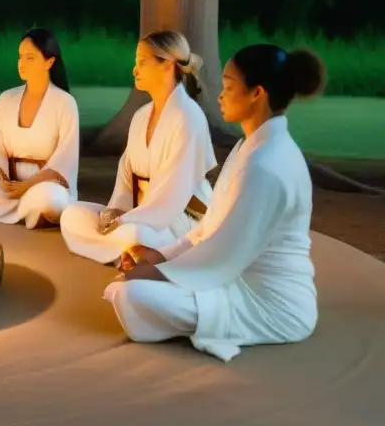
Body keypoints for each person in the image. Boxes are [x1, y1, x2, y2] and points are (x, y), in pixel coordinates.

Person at [105, 44, 326, 362]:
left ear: (257, 94)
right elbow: (210, 226)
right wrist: (159, 255)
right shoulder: (247, 148)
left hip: (271, 304)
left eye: (229, 86)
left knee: (131, 295)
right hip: (226, 271)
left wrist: (155, 271)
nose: (220, 95)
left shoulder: (267, 164)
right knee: (132, 274)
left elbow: (220, 251)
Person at [60, 30, 216, 264]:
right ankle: (133, 252)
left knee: (133, 233)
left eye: (142, 63)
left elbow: (172, 198)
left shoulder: (188, 117)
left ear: (166, 65)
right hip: (139, 213)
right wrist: (114, 212)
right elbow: (125, 178)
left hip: (181, 216)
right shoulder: (141, 116)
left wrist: (124, 221)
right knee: (71, 215)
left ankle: (143, 250)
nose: (135, 70)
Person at [0, 29, 80, 228]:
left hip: (44, 186)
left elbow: (63, 164)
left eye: (30, 58)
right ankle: (29, 213)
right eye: (20, 57)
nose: (22, 63)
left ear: (49, 62)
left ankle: (16, 209)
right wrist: (3, 181)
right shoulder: (7, 99)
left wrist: (26, 187)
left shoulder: (64, 102)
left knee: (49, 198)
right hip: (9, 187)